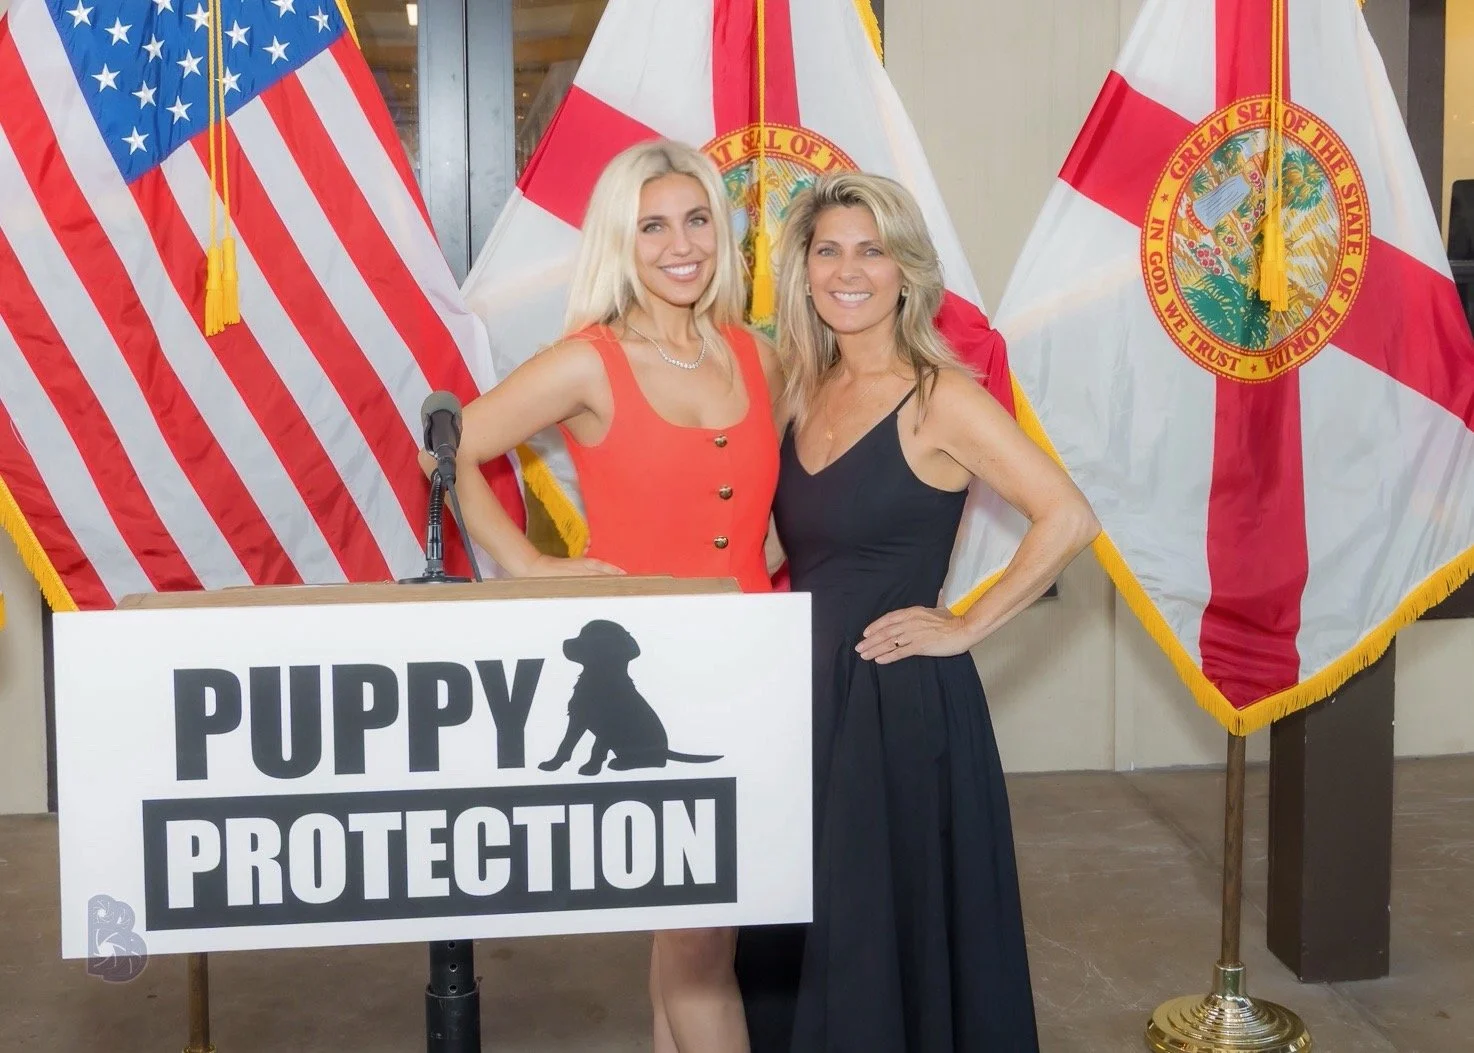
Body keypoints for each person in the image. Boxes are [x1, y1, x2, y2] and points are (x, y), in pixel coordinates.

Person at [433, 139, 782, 1053]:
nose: (681, 244)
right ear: (617, 244)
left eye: (697, 219)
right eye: (652, 226)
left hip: (755, 671)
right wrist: (526, 564)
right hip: (652, 679)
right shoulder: (590, 360)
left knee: (689, 938)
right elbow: (453, 447)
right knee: (704, 946)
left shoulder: (757, 353)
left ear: (722, 228)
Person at [742, 172, 1100, 1052]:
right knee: (794, 931)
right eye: (829, 250)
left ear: (906, 270)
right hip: (800, 704)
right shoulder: (799, 390)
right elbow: (787, 546)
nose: (849, 270)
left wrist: (966, 622)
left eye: (872, 250)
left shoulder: (942, 396)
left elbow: (1069, 517)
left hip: (896, 708)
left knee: (877, 936)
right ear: (804, 268)